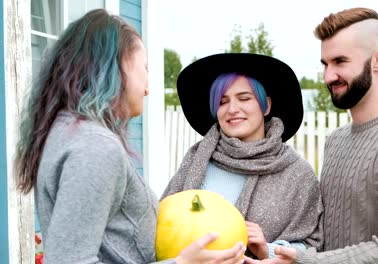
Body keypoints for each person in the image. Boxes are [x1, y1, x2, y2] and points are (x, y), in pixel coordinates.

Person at [14, 9, 244, 264]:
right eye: (144, 68)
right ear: (120, 66)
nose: (147, 88)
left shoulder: (66, 132)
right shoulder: (95, 147)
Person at [245, 7, 378, 264]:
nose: (328, 76)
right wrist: (274, 252)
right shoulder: (336, 141)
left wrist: (307, 262)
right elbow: (327, 238)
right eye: (325, 64)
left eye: (340, 62)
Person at [161, 53, 324, 260]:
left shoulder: (296, 173)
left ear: (266, 105)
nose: (232, 109)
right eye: (222, 101)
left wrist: (270, 249)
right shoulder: (198, 159)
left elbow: (312, 245)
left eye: (244, 98)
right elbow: (163, 221)